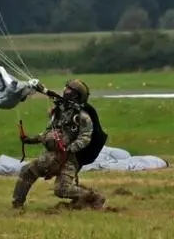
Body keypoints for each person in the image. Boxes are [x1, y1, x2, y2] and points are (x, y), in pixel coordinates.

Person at [11, 79, 106, 210]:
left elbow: (85, 137)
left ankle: (92, 197)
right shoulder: (59, 111)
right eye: (65, 88)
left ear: (76, 95)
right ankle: (17, 205)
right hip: (51, 155)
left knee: (62, 189)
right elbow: (50, 132)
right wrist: (31, 140)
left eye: (69, 89)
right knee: (27, 171)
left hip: (69, 159)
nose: (65, 91)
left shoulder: (82, 116)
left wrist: (69, 149)